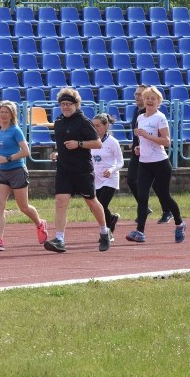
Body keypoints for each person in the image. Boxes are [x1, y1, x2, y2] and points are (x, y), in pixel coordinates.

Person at [44, 87, 112, 253]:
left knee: (91, 202)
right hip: (64, 169)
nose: (65, 107)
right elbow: (61, 144)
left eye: (69, 104)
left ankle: (104, 231)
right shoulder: (58, 122)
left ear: (76, 104)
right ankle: (59, 239)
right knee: (61, 202)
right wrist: (57, 152)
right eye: (63, 104)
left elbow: (98, 143)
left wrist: (79, 144)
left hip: (82, 169)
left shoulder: (83, 121)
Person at [0, 101, 48, 251]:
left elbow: (26, 152)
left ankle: (40, 224)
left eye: (7, 112)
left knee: (23, 207)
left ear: (12, 115)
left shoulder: (16, 130)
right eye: (1, 112)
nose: (3, 115)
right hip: (1, 172)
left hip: (17, 170)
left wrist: (9, 158)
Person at [126, 86, 186, 244]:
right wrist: (138, 147)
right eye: (147, 98)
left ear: (159, 101)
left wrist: (147, 135)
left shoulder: (160, 118)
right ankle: (140, 231)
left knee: (164, 196)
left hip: (160, 163)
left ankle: (179, 223)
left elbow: (166, 141)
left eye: (153, 98)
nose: (149, 101)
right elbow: (141, 140)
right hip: (144, 163)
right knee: (142, 196)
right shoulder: (140, 117)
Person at [128, 84, 168, 223]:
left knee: (158, 185)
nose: (137, 97)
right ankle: (144, 208)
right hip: (138, 151)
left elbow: (162, 137)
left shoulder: (153, 114)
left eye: (140, 94)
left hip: (153, 154)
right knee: (131, 180)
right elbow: (138, 132)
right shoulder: (137, 112)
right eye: (136, 94)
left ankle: (167, 210)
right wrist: (134, 143)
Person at [91, 113, 123, 236]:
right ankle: (112, 219)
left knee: (102, 204)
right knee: (95, 207)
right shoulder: (91, 141)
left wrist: (111, 170)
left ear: (106, 126)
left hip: (110, 178)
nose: (95, 128)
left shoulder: (112, 142)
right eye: (93, 126)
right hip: (96, 178)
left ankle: (107, 232)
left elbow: (120, 162)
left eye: (98, 125)